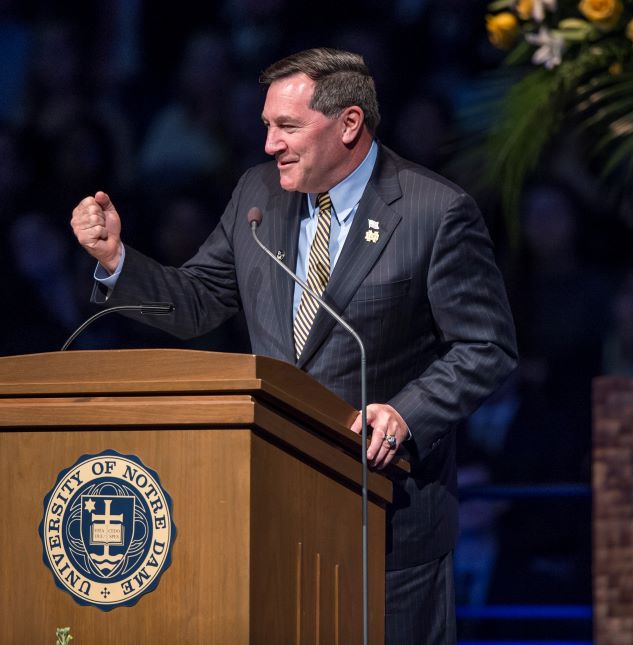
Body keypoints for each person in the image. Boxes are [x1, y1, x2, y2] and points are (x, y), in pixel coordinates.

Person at [70, 47, 517, 644]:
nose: (269, 145)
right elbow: (201, 298)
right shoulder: (259, 194)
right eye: (266, 126)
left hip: (384, 516)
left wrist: (407, 413)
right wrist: (115, 261)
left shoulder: (435, 212)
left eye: (287, 127)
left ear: (349, 123)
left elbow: (486, 346)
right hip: (273, 508)